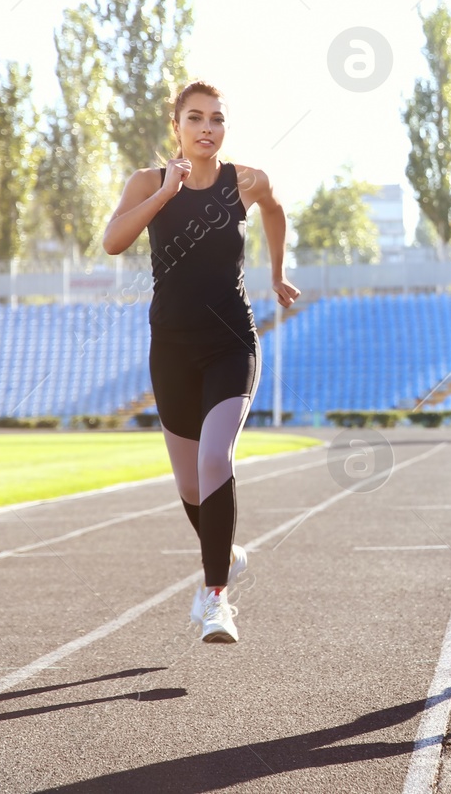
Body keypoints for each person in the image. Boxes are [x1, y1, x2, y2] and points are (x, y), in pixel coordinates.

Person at [102, 80, 300, 643]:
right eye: (195, 118)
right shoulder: (147, 182)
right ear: (178, 126)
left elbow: (276, 208)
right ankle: (227, 553)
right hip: (171, 348)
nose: (206, 128)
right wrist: (166, 193)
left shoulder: (245, 180)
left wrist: (277, 272)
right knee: (191, 488)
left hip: (231, 342)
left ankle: (216, 599)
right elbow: (114, 241)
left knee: (217, 460)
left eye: (216, 119)